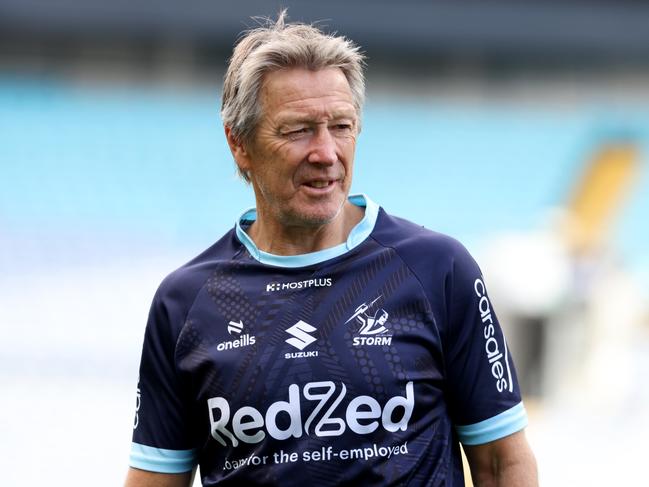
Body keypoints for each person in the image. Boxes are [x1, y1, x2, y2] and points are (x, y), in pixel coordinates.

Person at [125, 12, 538, 487]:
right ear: (239, 143)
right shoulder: (185, 302)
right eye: (298, 130)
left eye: (340, 126)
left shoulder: (438, 269)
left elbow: (502, 463)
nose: (325, 152)